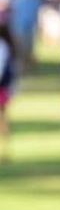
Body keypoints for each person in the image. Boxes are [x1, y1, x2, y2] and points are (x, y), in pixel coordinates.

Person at [0, 17, 18, 163]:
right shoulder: (6, 46)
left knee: (2, 120)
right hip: (4, 89)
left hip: (1, 88)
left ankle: (4, 151)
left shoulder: (3, 47)